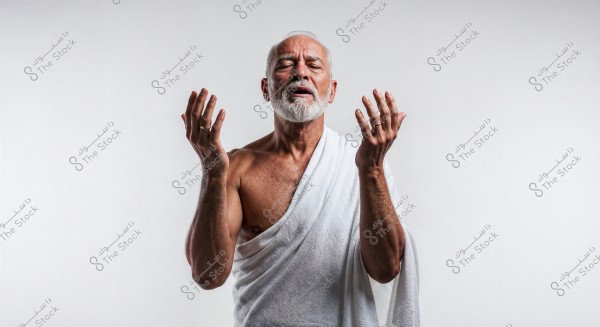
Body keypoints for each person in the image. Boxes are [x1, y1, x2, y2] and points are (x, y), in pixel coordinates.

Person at [182, 30, 420, 326]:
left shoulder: (362, 166)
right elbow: (207, 275)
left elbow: (385, 270)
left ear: (331, 90)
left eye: (313, 65)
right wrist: (212, 172)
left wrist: (371, 171)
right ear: (265, 88)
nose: (300, 73)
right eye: (285, 65)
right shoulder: (236, 168)